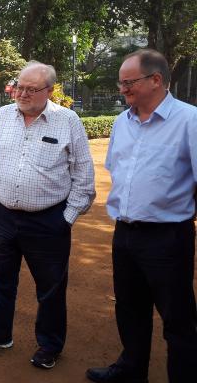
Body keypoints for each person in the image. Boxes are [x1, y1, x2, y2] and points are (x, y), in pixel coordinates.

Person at [0, 61, 95, 369]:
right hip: (1, 216)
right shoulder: (1, 116)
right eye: (19, 87)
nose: (22, 94)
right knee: (0, 279)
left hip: (48, 220)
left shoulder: (67, 121)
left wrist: (66, 218)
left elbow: (83, 175)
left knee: (50, 287)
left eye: (31, 89)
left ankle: (50, 344)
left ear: (49, 91)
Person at [86, 49, 197, 383]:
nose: (123, 90)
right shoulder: (122, 122)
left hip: (168, 237)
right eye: (121, 83)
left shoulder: (189, 120)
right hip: (125, 232)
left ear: (156, 80)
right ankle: (132, 370)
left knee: (178, 318)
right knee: (130, 308)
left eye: (128, 83)